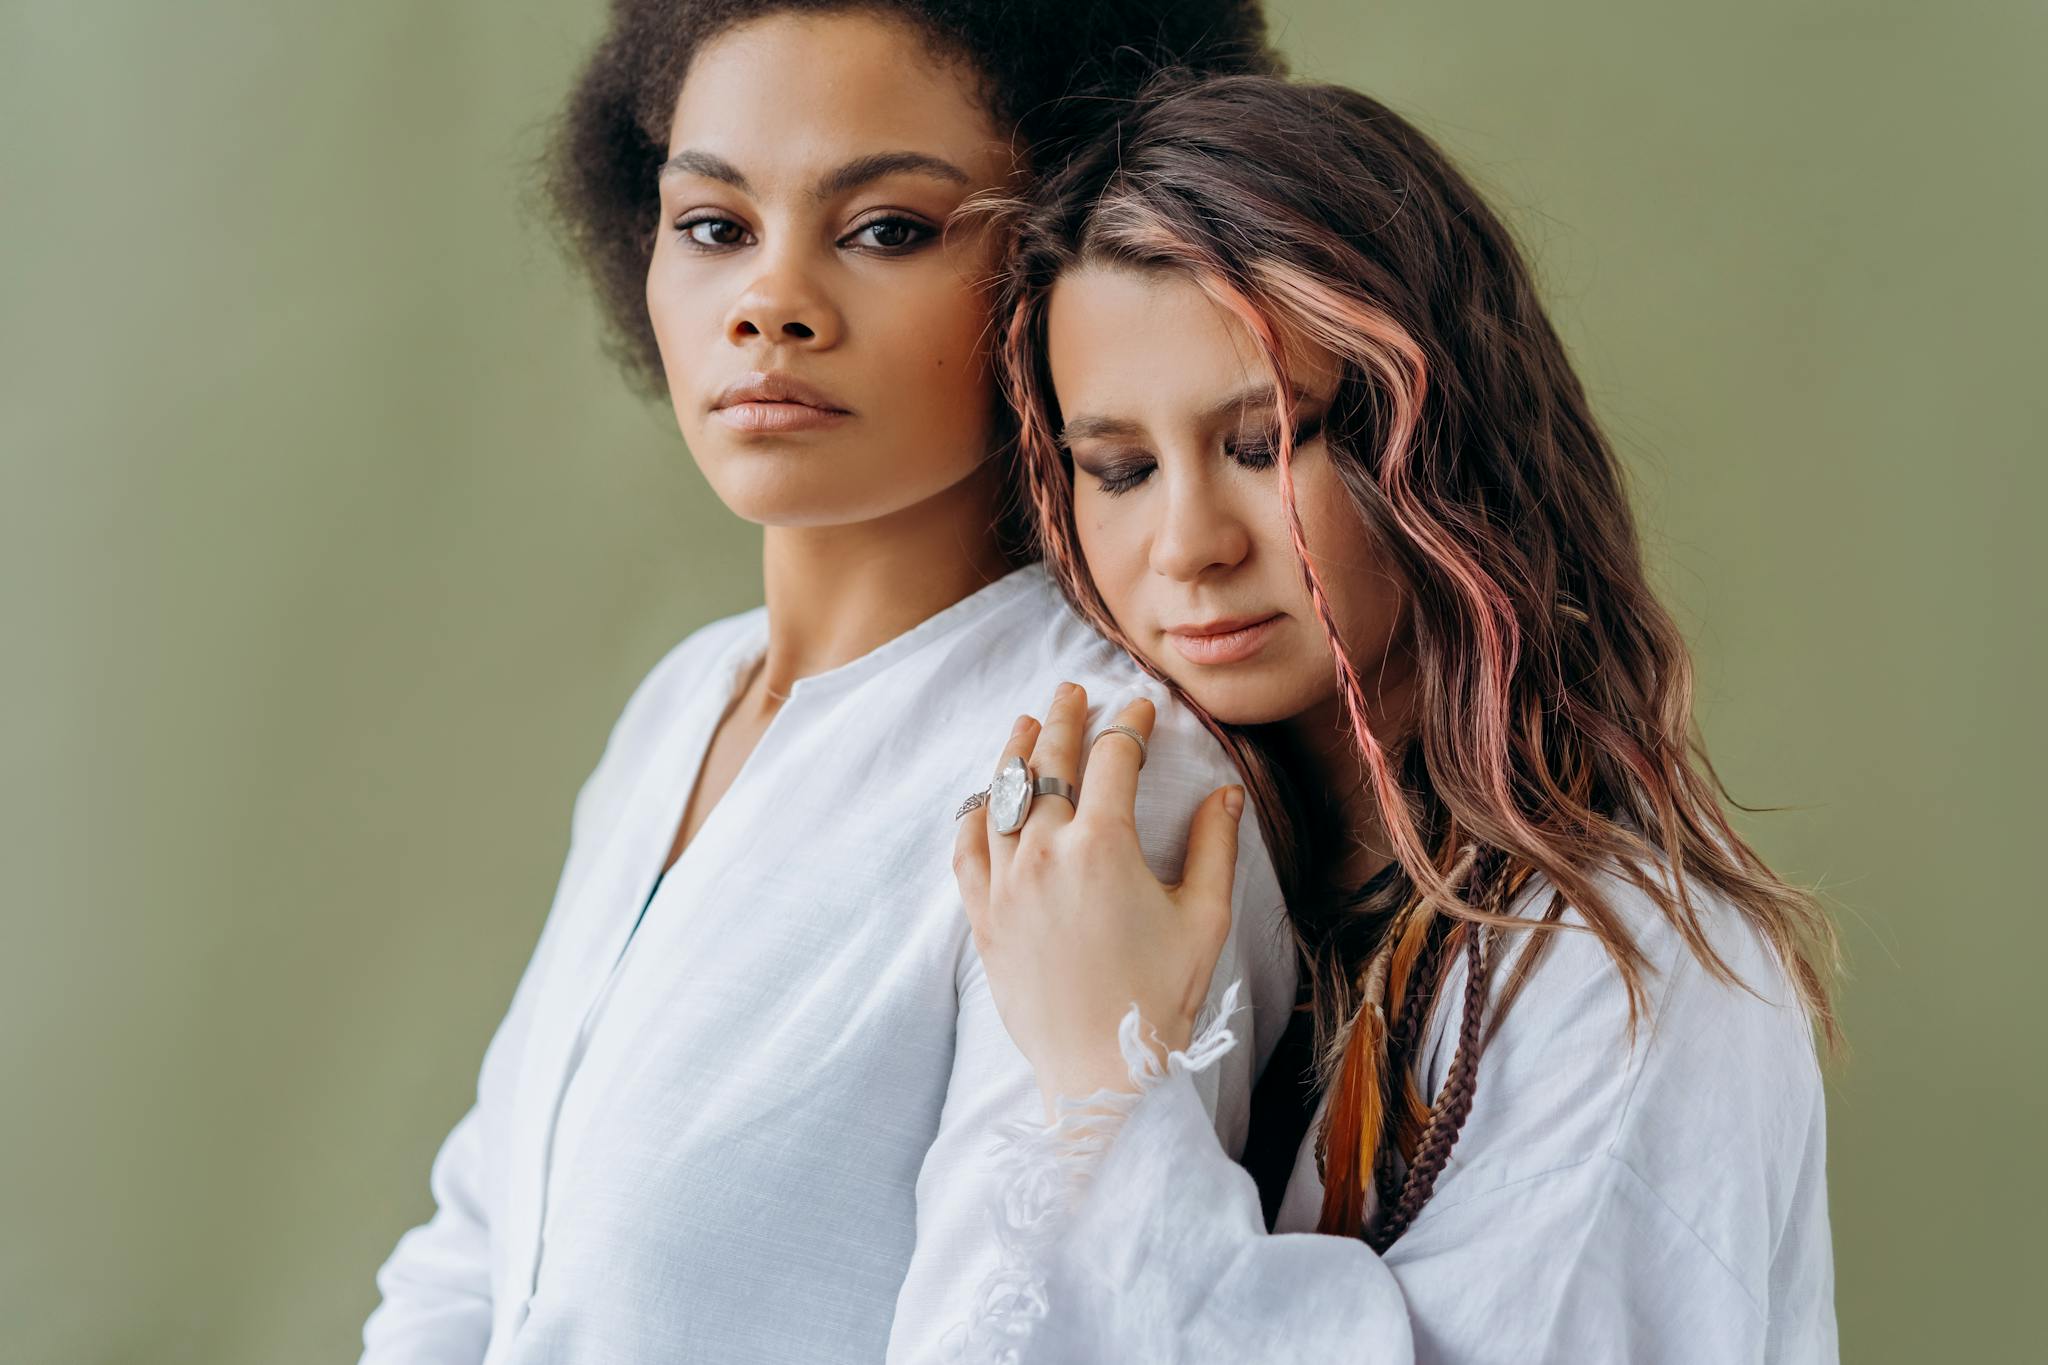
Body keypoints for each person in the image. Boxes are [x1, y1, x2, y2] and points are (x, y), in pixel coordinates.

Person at [356, 10, 1299, 1364]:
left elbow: (1050, 1330)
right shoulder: (683, 707)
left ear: (1061, 258)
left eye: (888, 228)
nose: (770, 302)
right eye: (716, 226)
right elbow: (483, 1247)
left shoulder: (1103, 772)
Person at [950, 72, 1843, 1363]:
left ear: (1437, 439)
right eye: (1123, 470)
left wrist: (1109, 1090)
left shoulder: (1641, 980)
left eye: (1264, 443)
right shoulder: (1147, 843)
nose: (1188, 544)